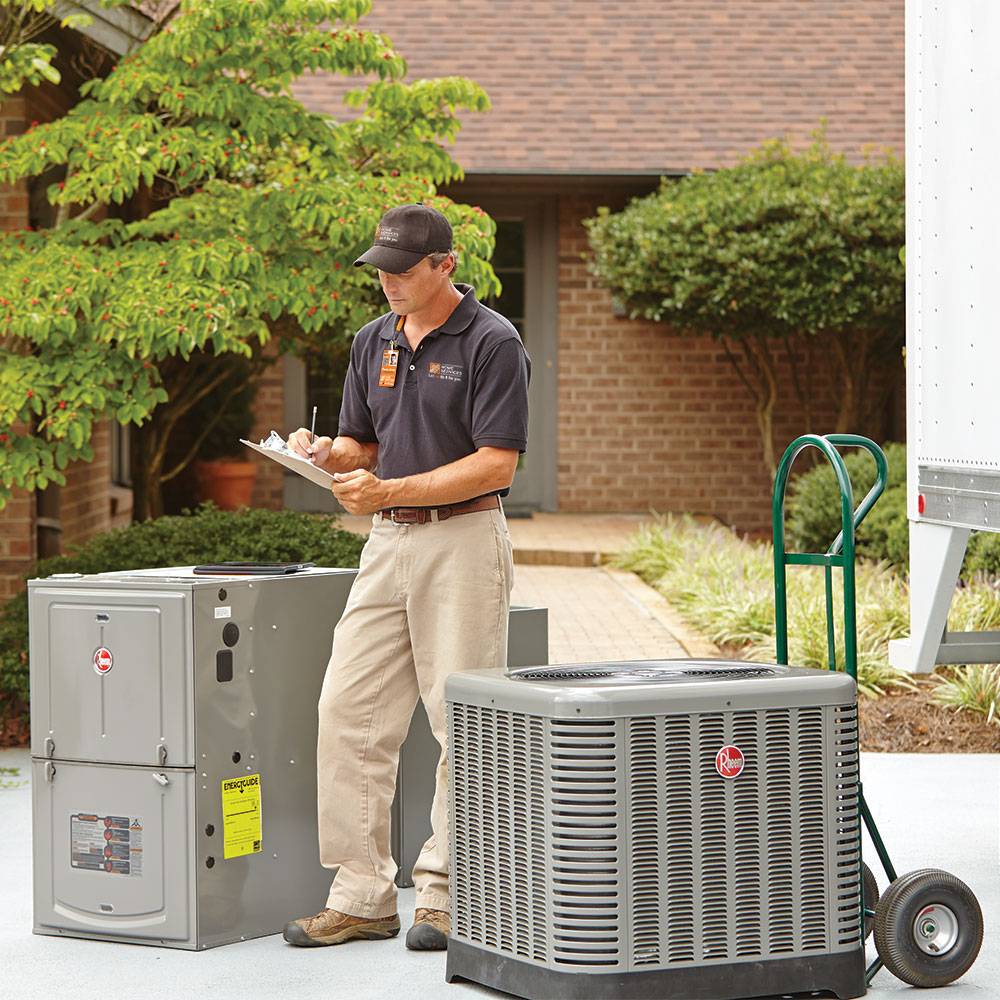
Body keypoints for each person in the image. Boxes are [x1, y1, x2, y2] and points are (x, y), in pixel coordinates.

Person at [282, 203, 530, 951]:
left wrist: (388, 488)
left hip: (462, 543)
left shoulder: (492, 342)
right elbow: (365, 441)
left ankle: (449, 898)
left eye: (402, 268)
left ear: (444, 266)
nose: (386, 280)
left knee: (462, 722)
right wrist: (327, 453)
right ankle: (362, 895)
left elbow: (498, 462)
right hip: (386, 546)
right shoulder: (373, 341)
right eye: (380, 268)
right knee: (347, 712)